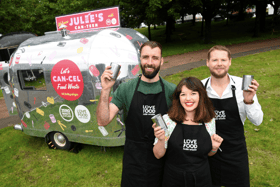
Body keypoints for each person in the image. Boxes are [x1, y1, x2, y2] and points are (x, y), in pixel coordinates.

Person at [96, 41, 176, 187]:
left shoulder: (172, 91)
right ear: (140, 59)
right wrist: (106, 89)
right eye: (145, 57)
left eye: (155, 58)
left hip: (162, 157)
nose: (150, 62)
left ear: (161, 61)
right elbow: (103, 120)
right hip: (134, 160)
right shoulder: (126, 89)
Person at [201, 45, 263, 187]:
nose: (219, 64)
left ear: (230, 62)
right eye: (215, 60)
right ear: (207, 62)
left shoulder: (243, 86)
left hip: (236, 153)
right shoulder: (199, 87)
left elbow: (258, 121)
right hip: (208, 152)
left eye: (223, 59)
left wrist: (249, 101)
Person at [153, 77, 223, 187]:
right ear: (178, 98)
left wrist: (214, 148)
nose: (188, 98)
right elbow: (158, 154)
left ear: (201, 96)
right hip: (173, 179)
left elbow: (209, 153)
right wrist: (161, 140)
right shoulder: (168, 120)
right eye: (183, 94)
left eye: (193, 93)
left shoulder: (209, 121)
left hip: (202, 179)